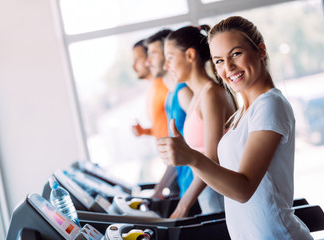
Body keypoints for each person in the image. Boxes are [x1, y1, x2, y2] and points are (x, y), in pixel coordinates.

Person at [156, 16, 313, 239]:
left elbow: (243, 189)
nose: (228, 67)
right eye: (218, 60)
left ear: (260, 51)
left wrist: (192, 158)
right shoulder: (243, 113)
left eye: (236, 54)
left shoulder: (270, 105)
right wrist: (187, 157)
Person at [162, 25, 238, 218]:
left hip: (221, 198)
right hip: (209, 199)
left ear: (190, 55)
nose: (166, 66)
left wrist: (182, 207)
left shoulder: (211, 94)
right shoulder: (198, 95)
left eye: (170, 58)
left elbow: (212, 158)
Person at [132, 31, 171, 138]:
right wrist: (144, 131)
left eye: (138, 60)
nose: (134, 66)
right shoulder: (152, 89)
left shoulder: (166, 86)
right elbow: (162, 126)